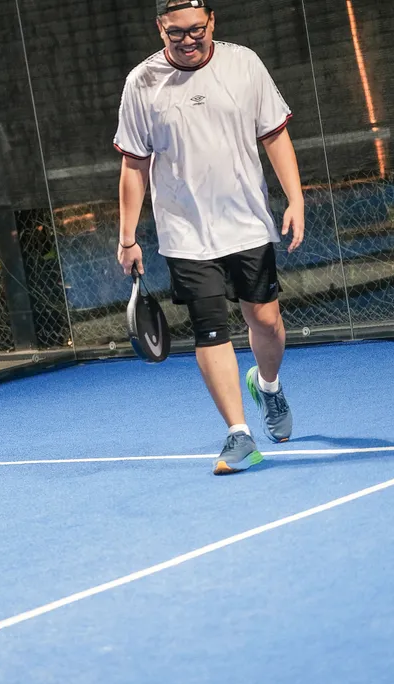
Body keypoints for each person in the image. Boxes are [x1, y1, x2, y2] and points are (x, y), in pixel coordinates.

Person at [113, 0, 305, 475]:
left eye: (197, 29)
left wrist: (295, 199)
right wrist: (127, 236)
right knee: (210, 329)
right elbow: (134, 164)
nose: (188, 40)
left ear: (212, 21)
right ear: (160, 29)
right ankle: (239, 434)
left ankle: (268, 385)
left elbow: (274, 135)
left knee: (266, 321)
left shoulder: (244, 64)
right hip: (185, 234)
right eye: (176, 33)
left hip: (247, 223)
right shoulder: (142, 82)